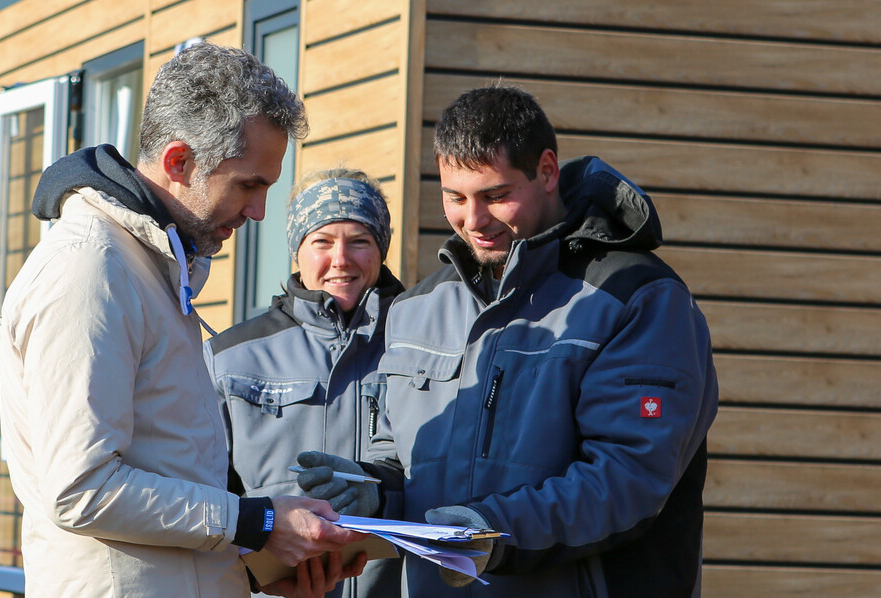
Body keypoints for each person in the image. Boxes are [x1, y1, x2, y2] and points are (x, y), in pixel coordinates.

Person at [293, 86, 719, 596]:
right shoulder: (416, 309)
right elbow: (402, 460)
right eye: (455, 197)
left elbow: (629, 480)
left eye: (495, 196)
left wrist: (489, 532)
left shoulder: (638, 299)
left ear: (546, 171)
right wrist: (372, 493)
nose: (473, 221)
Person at [0, 43, 364, 598]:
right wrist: (258, 523)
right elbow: (81, 491)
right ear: (177, 162)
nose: (260, 211)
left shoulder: (150, 267)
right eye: (249, 184)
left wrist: (254, 567)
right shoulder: (90, 270)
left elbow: (167, 473)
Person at [207, 170, 406, 598]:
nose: (341, 259)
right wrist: (257, 575)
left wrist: (381, 496)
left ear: (381, 250)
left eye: (359, 241)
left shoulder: (420, 348)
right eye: (322, 242)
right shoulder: (230, 357)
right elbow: (204, 495)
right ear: (297, 251)